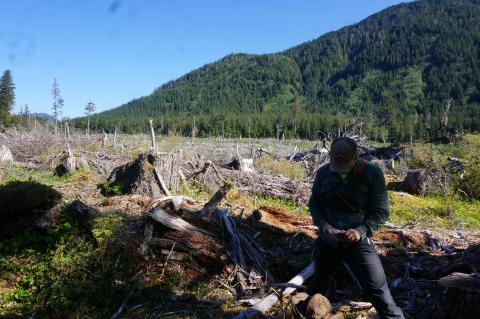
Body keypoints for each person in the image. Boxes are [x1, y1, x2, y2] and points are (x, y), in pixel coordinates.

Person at [308, 137, 404, 319]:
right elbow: (315, 204)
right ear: (330, 156)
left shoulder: (372, 174)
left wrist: (360, 231)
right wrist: (323, 225)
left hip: (358, 243)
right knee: (319, 287)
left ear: (355, 157)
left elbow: (381, 212)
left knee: (378, 290)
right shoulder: (323, 173)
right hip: (328, 241)